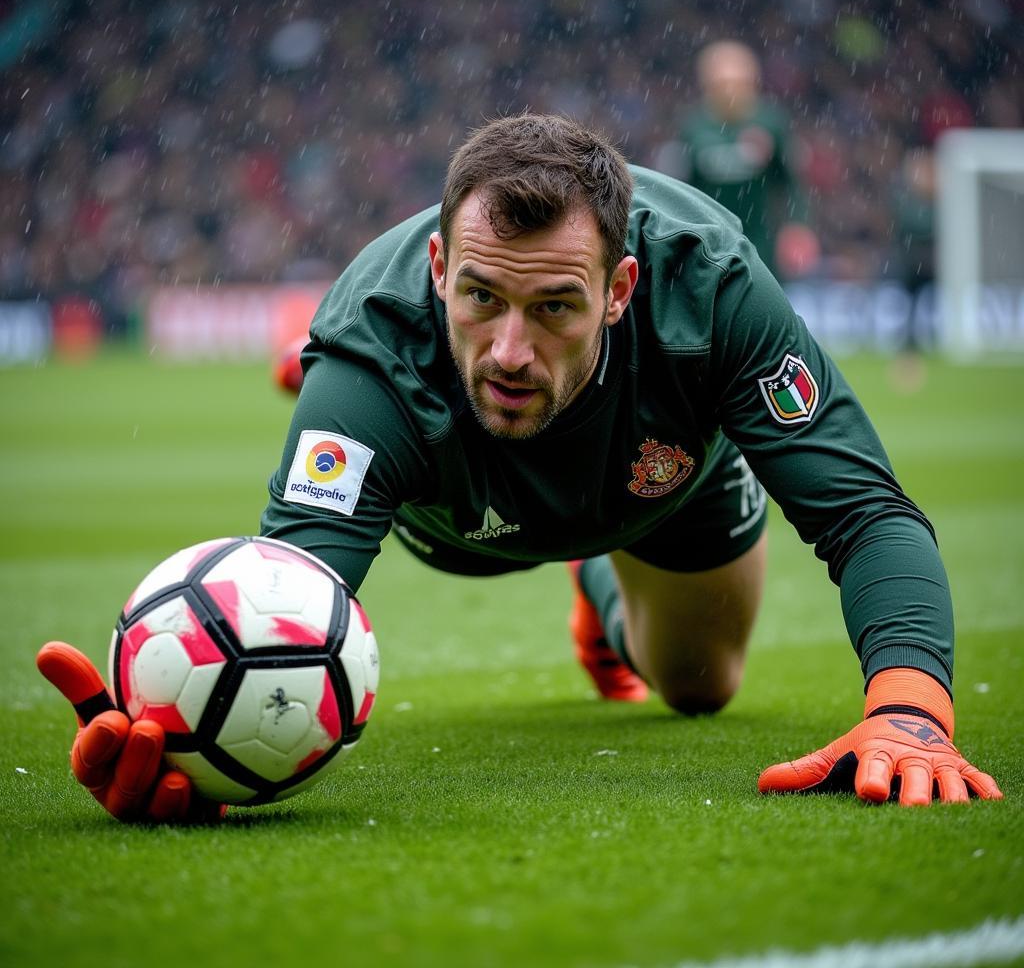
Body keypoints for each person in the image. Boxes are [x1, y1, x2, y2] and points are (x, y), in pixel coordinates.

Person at [39, 113, 1002, 822]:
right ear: (435, 268)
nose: (507, 350)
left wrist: (912, 710)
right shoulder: (375, 354)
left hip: (663, 488)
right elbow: (285, 607)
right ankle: (323, 395)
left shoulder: (709, 288)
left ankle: (603, 587)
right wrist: (183, 742)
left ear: (621, 289)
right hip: (459, 518)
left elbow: (868, 514)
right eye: (479, 296)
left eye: (552, 308)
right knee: (358, 423)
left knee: (702, 686)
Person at [677, 40, 819, 281]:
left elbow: (792, 183)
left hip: (761, 243)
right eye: (721, 85)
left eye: (737, 84)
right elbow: (681, 189)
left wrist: (798, 226)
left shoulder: (771, 123)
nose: (730, 92)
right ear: (707, 86)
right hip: (710, 243)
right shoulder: (692, 128)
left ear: (753, 83)